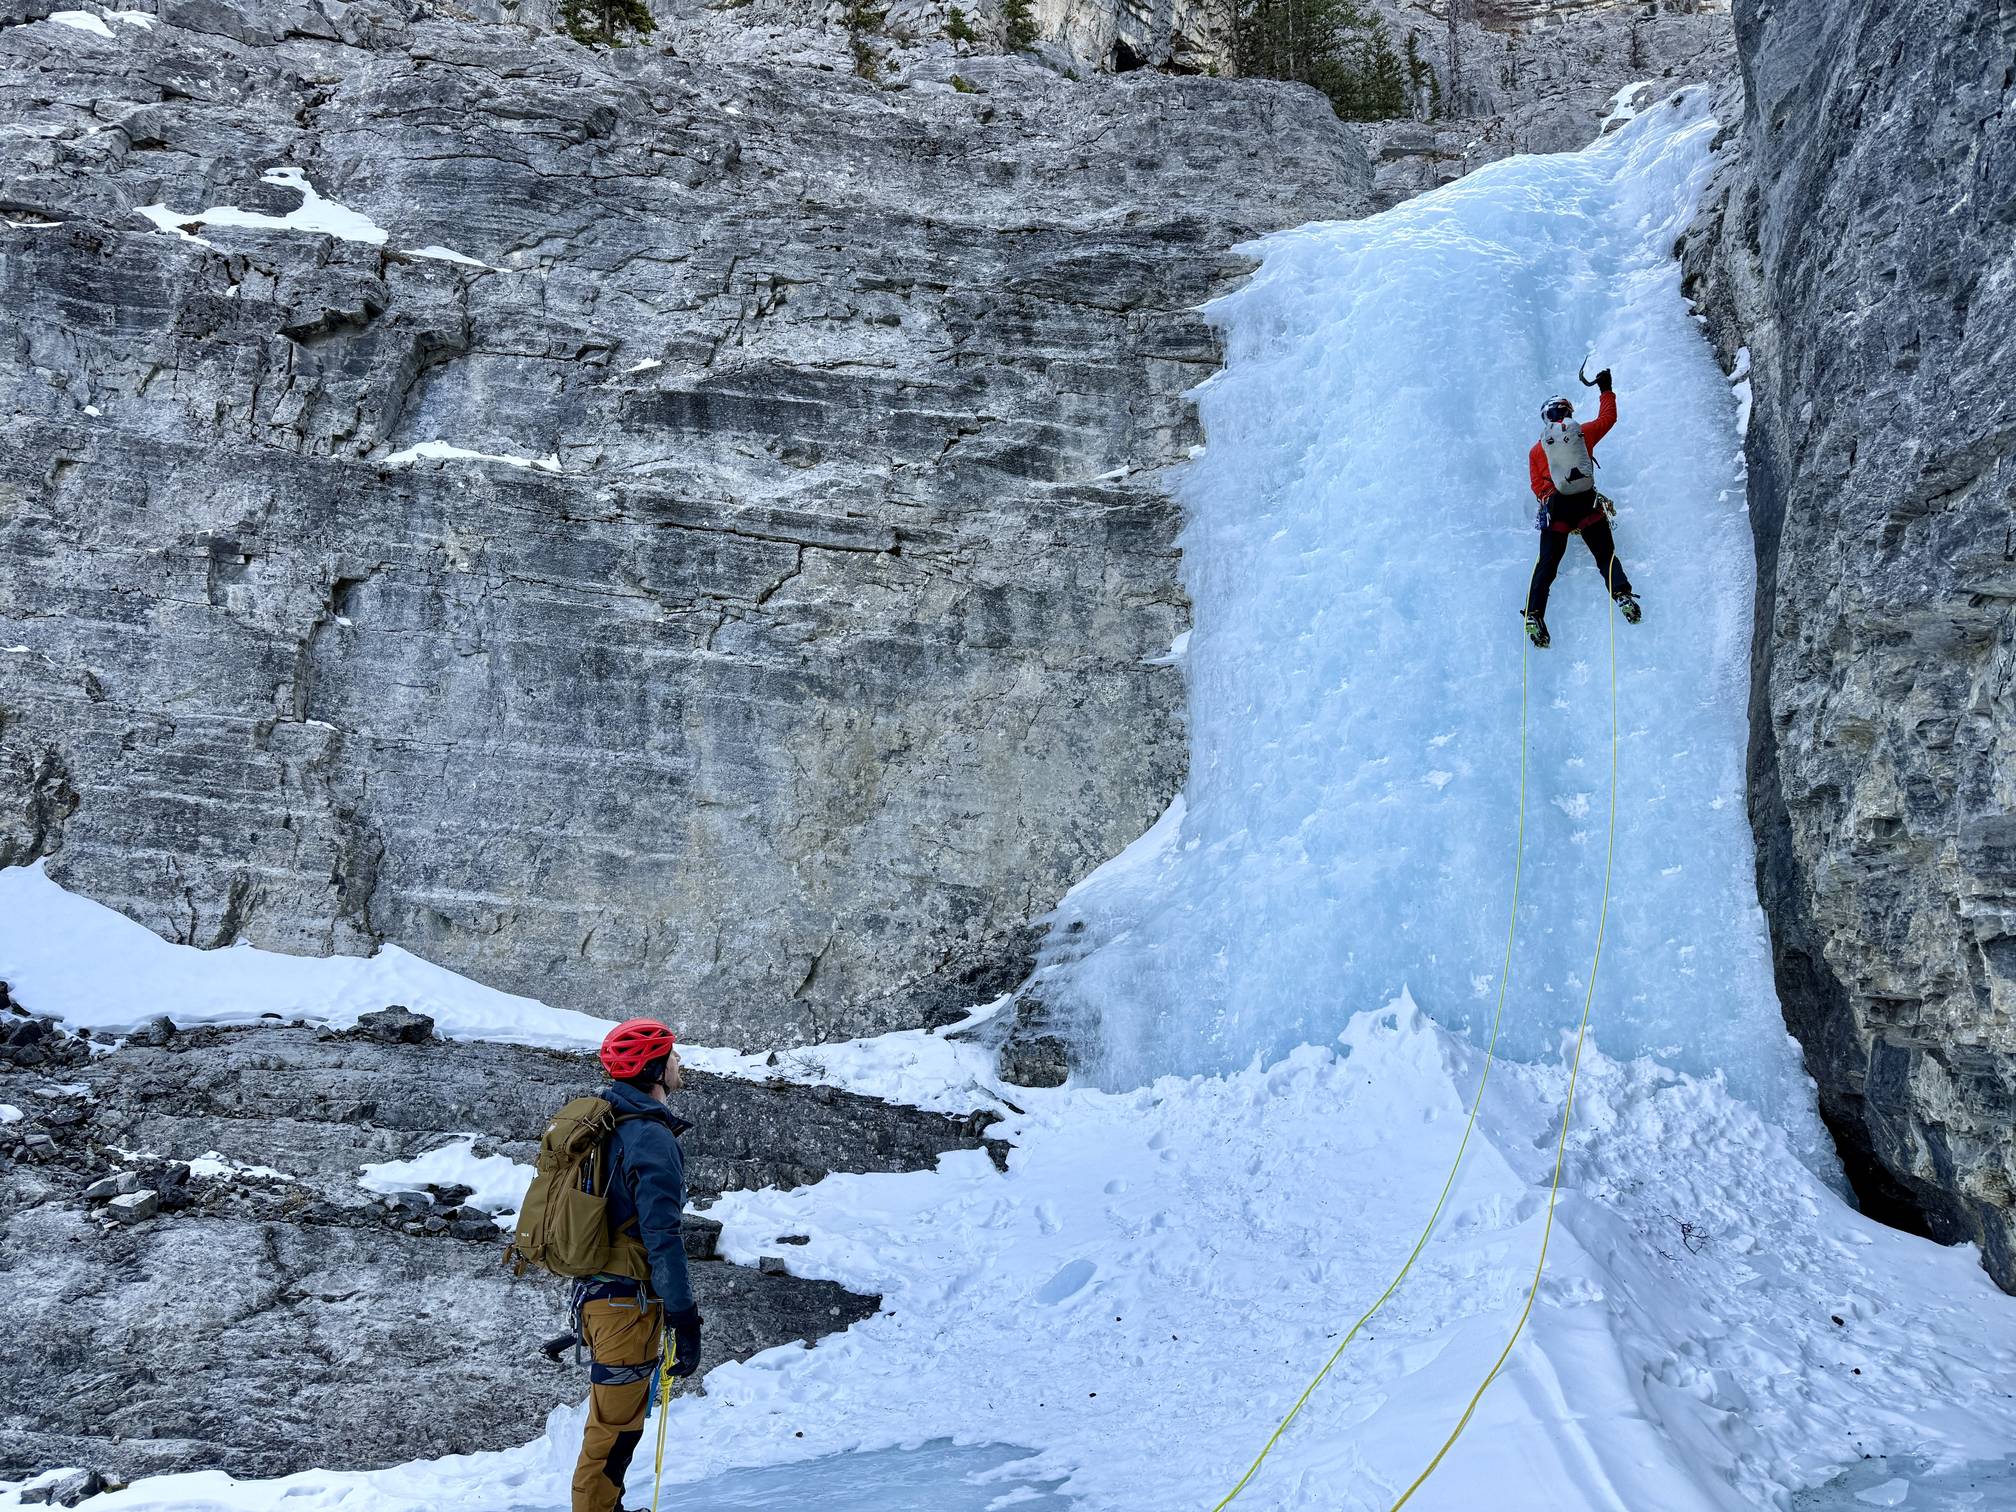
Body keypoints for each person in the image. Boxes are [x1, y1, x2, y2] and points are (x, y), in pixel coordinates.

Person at [571, 1018, 703, 1512]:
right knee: (611, 1437)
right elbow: (662, 1237)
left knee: (617, 1430)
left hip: (601, 1299)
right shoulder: (648, 1136)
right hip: (626, 1308)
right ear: (654, 1069)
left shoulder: (604, 1124)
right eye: (671, 1055)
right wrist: (685, 1319)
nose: (679, 1062)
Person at [1522, 366, 1642, 648]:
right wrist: (1605, 389)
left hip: (1557, 511)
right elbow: (1608, 418)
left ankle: (1535, 614)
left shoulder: (1537, 450)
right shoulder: (1582, 433)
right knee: (1605, 556)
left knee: (1547, 565)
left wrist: (1549, 497)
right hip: (1587, 505)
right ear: (1567, 412)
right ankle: (1622, 595)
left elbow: (1537, 487)